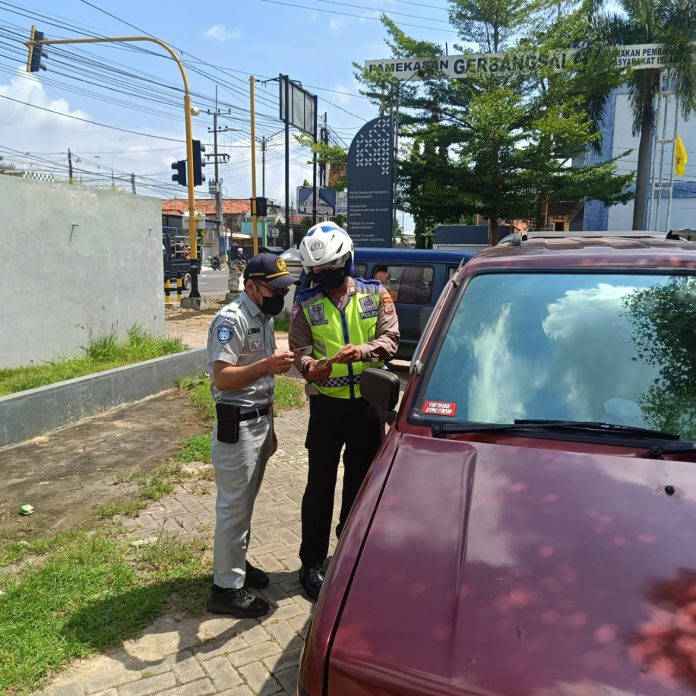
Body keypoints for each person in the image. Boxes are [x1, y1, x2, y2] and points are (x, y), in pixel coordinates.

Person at [289, 221, 400, 601]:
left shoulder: (375, 295)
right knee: (319, 486)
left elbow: (391, 339)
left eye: (331, 269)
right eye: (317, 272)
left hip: (368, 407)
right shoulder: (306, 303)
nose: (324, 277)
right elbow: (299, 352)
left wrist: (363, 351)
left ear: (348, 260)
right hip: (326, 409)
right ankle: (312, 562)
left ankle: (349, 554)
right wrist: (309, 367)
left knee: (360, 485)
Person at [206, 252, 297, 617]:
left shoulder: (261, 317)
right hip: (238, 425)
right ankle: (225, 590)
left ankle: (236, 570)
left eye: (282, 289)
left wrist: (271, 429)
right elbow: (222, 377)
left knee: (245, 506)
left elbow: (263, 382)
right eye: (273, 289)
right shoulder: (231, 320)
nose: (280, 295)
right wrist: (265, 366)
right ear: (251, 287)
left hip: (258, 423)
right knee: (233, 508)